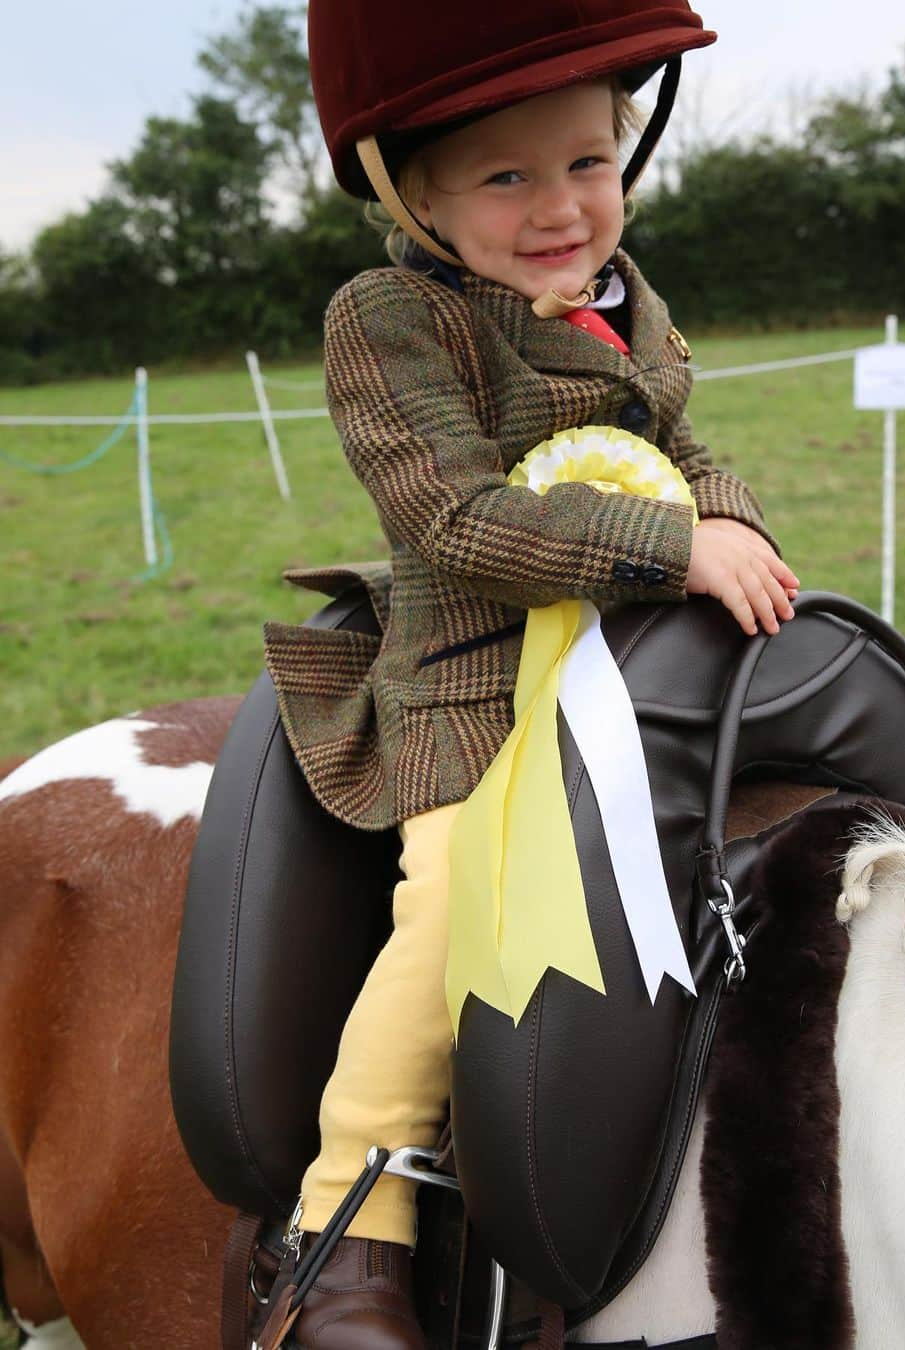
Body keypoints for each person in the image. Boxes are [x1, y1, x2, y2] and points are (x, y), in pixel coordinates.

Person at [260, 2, 800, 1345]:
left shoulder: (629, 303)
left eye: (588, 162)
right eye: (506, 176)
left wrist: (730, 521)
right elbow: (453, 518)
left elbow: (688, 441)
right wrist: (668, 545)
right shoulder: (389, 320)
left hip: (640, 666)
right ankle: (352, 1215)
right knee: (453, 901)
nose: (561, 207)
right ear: (414, 187)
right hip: (473, 685)